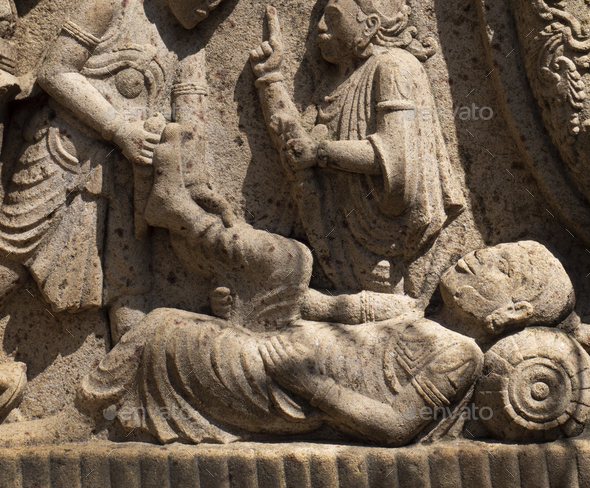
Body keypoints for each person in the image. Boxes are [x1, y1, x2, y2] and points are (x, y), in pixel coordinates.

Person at [0, 128, 576, 448]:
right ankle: (188, 216)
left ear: (508, 314)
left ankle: (178, 216)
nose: (478, 259)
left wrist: (312, 385)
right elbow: (317, 305)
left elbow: (398, 425)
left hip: (285, 385)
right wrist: (247, 297)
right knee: (289, 261)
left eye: (499, 269)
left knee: (167, 326)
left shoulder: (460, 355)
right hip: (280, 340)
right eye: (490, 253)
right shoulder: (408, 309)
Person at [0, 0, 259, 344]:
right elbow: (56, 70)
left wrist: (198, 187)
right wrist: (119, 128)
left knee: (130, 289)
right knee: (10, 255)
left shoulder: (189, 48)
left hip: (129, 181)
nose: (213, 4)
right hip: (61, 151)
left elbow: (190, 129)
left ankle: (129, 378)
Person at [250, 0, 465, 309]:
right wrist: (269, 79)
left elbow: (397, 161)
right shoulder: (336, 82)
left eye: (333, 17)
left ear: (369, 26)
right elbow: (297, 150)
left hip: (383, 249)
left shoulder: (393, 67)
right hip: (333, 236)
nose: (320, 27)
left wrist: (321, 153)